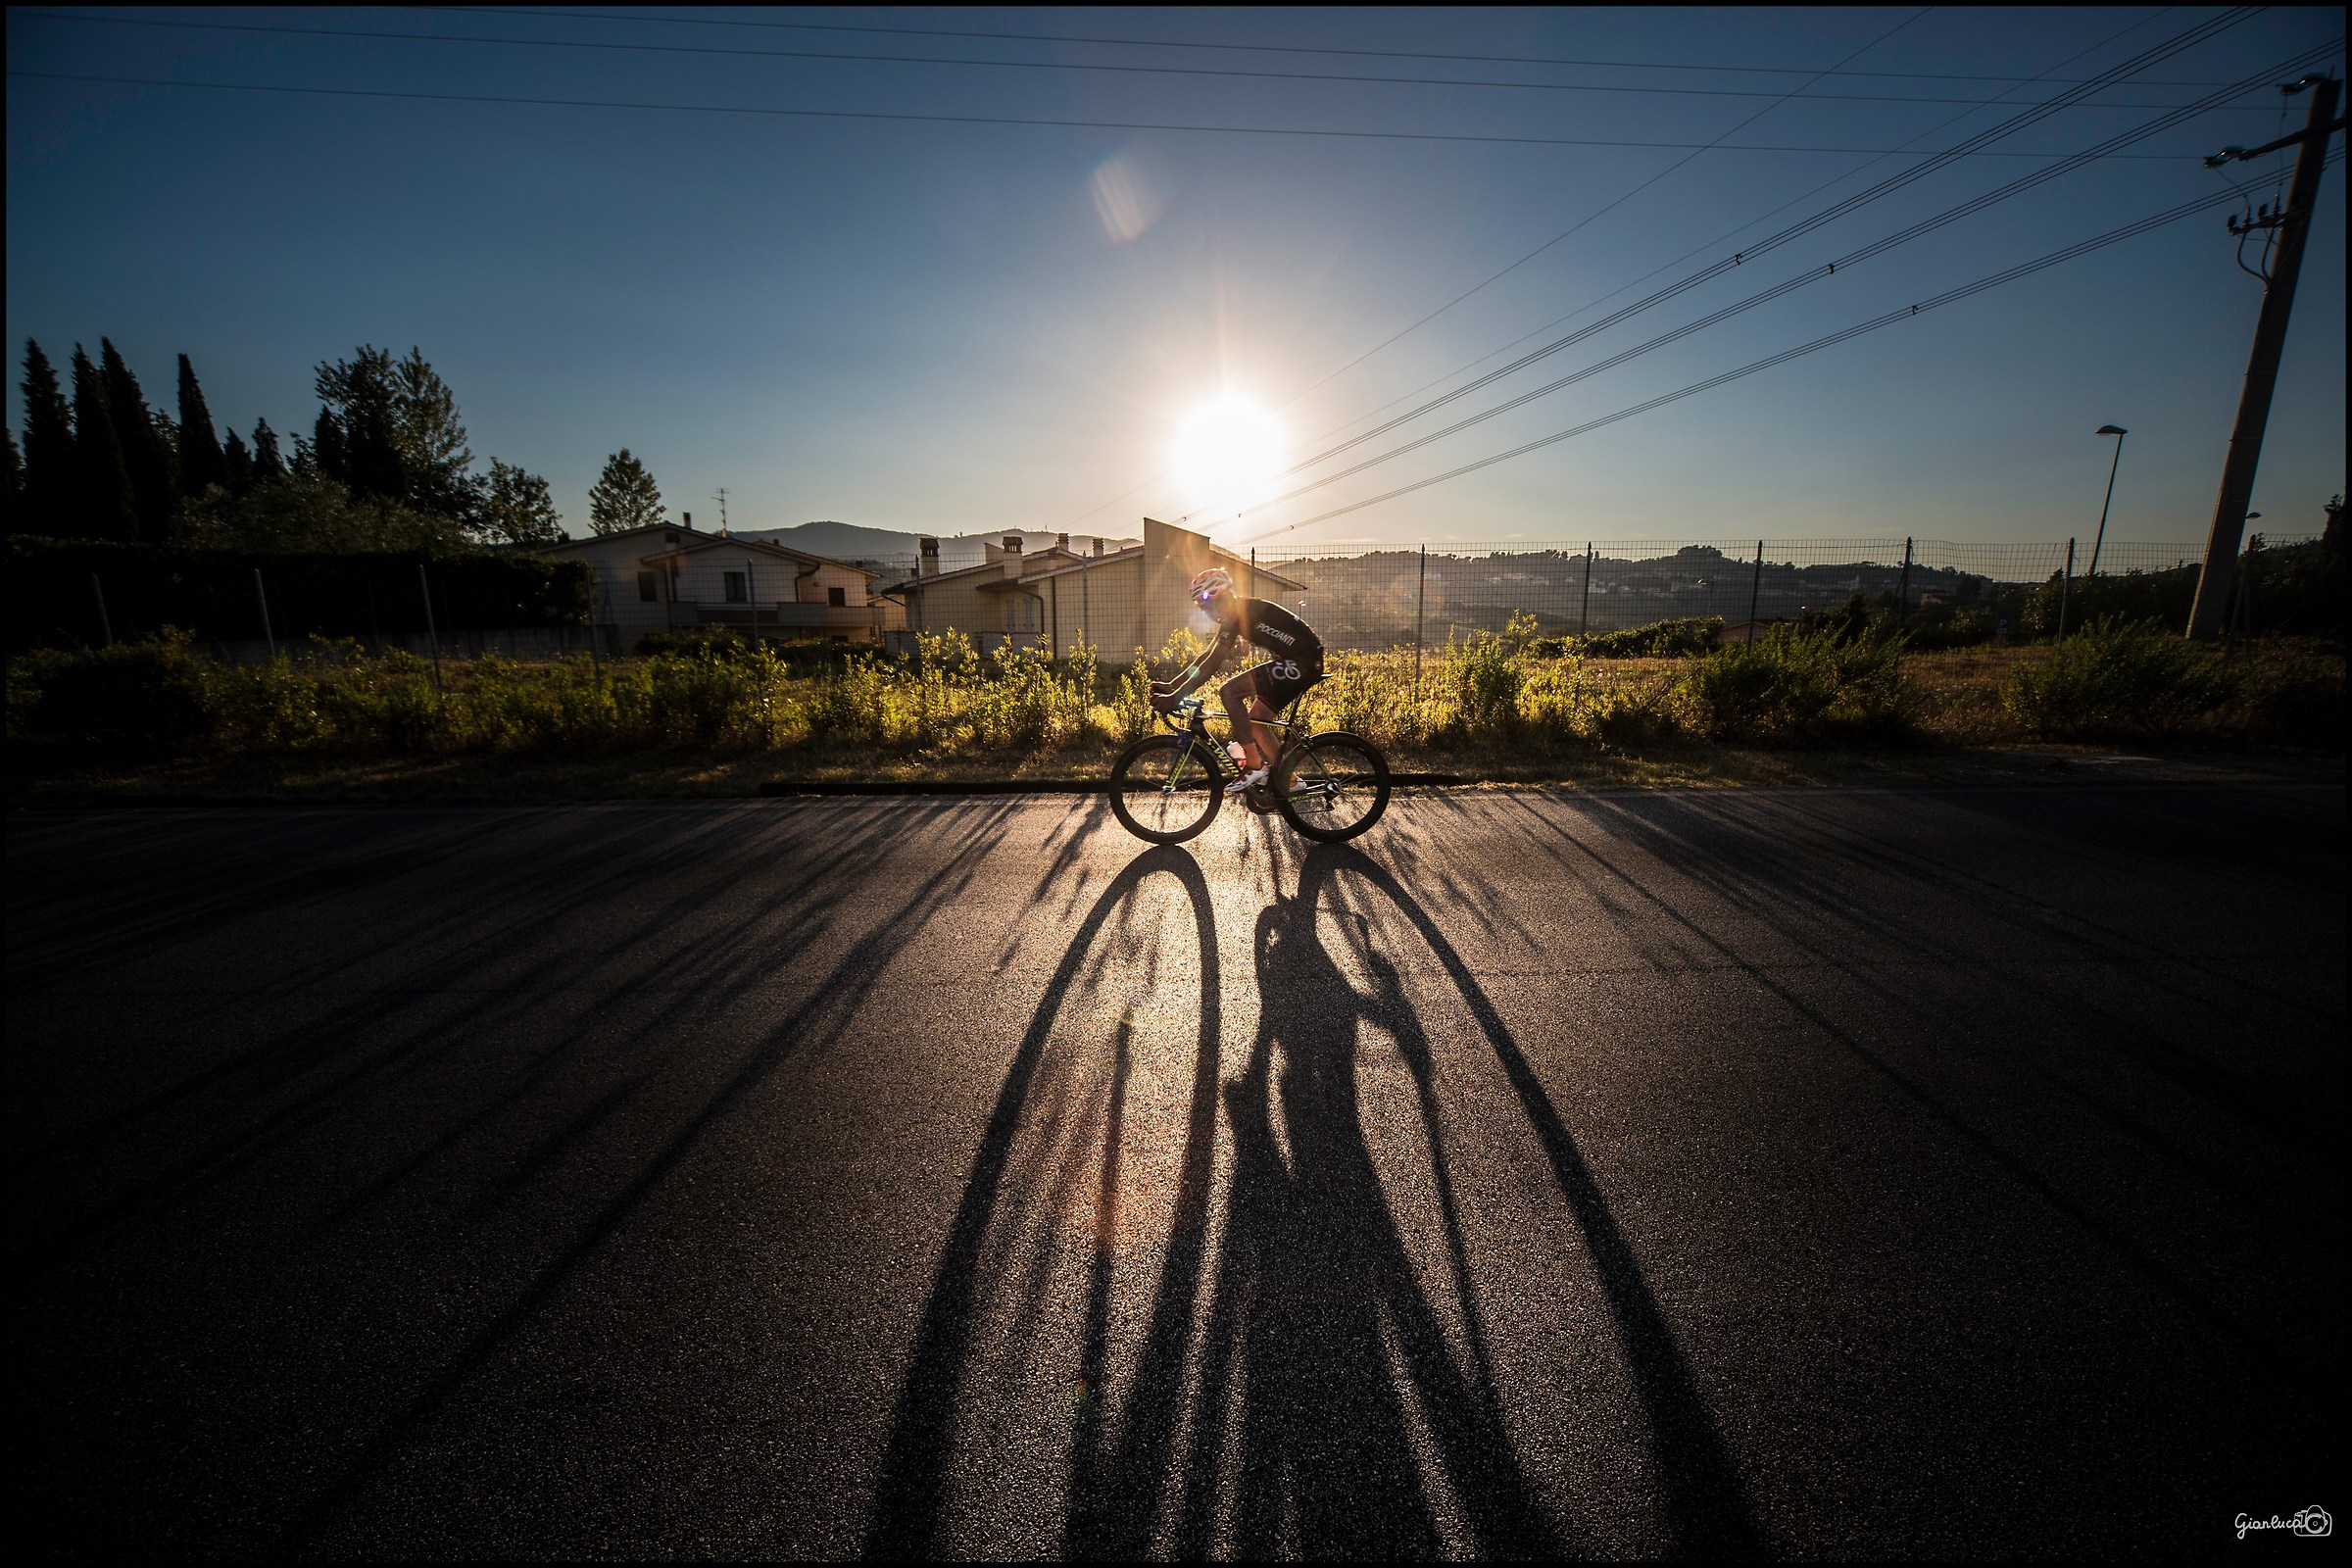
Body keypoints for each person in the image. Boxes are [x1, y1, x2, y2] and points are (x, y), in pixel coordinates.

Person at [1151, 566, 1326, 804]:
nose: (1207, 613)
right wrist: (1172, 685)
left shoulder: (1239, 613)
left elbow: (1212, 664)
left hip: (1304, 662)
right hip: (1297, 661)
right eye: (1202, 609)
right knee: (1256, 723)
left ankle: (1254, 765)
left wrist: (1175, 697)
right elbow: (1205, 656)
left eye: (1207, 606)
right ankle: (1290, 781)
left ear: (1220, 596)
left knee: (1230, 691)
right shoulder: (1236, 613)